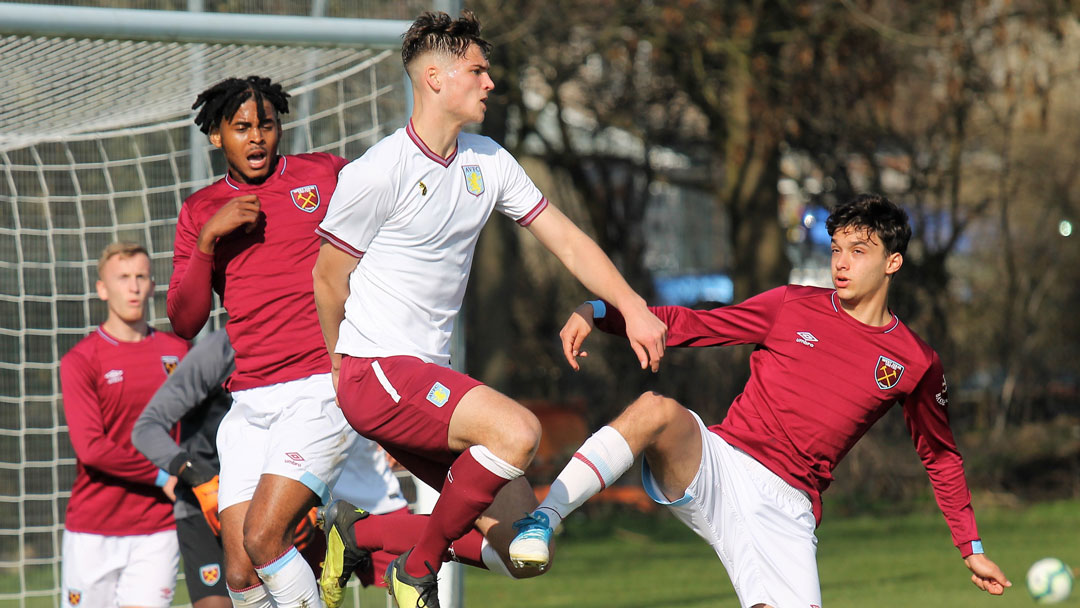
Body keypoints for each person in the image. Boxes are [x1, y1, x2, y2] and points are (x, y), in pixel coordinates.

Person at [311, 10, 668, 608]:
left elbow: (570, 241)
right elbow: (327, 278)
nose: (490, 83)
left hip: (428, 381)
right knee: (519, 431)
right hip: (377, 371)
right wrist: (339, 367)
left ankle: (357, 536)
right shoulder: (378, 171)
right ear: (433, 78)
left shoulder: (489, 162)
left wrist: (630, 305)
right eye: (477, 70)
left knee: (523, 552)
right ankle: (415, 571)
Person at [508, 194, 1013, 607]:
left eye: (859, 251)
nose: (841, 262)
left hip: (788, 507)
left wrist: (971, 548)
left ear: (892, 262)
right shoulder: (792, 305)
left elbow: (941, 457)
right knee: (655, 410)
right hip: (721, 465)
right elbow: (692, 325)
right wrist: (600, 310)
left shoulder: (916, 362)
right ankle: (543, 519)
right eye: (836, 249)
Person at [168, 75, 363, 608]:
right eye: (241, 127)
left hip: (319, 389)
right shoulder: (198, 212)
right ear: (216, 137)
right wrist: (209, 239)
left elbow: (385, 223)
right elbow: (184, 322)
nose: (256, 138)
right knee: (239, 572)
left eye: (267, 125)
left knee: (263, 539)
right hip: (250, 402)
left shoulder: (323, 175)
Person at [131, 330, 410, 608]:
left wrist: (392, 432)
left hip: (338, 495)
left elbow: (384, 371)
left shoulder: (339, 326)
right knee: (248, 572)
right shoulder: (220, 350)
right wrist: (198, 478)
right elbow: (146, 428)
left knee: (412, 585)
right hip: (222, 502)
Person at [59, 242, 190, 608]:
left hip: (158, 526)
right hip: (93, 528)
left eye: (141, 277)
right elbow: (92, 449)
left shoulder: (179, 351)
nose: (133, 287)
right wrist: (165, 476)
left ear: (151, 285)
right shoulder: (80, 360)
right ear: (102, 288)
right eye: (122, 278)